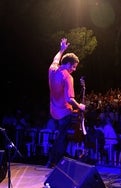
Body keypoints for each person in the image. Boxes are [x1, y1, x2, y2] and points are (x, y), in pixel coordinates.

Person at [46, 38, 86, 168]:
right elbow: (69, 99)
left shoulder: (52, 69)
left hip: (53, 111)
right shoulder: (68, 77)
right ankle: (55, 161)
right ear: (68, 64)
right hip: (64, 113)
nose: (74, 69)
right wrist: (79, 106)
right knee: (62, 138)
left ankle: (55, 159)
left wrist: (62, 50)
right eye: (74, 66)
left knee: (61, 135)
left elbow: (56, 58)